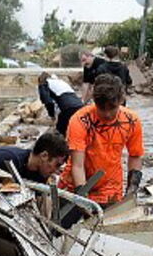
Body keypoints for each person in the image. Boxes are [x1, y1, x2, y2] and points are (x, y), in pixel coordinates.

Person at [59, 74, 145, 207]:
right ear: (94, 101)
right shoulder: (80, 120)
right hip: (73, 186)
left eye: (112, 108)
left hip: (110, 190)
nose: (107, 114)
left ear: (121, 100)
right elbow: (77, 165)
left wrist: (131, 190)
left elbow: (135, 155)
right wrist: (82, 196)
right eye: (102, 108)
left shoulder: (131, 121)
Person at [0, 132, 70, 183]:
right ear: (44, 156)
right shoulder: (9, 159)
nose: (56, 171)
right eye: (57, 165)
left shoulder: (40, 175)